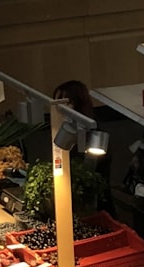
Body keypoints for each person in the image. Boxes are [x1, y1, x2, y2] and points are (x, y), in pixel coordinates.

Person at [52, 80, 114, 216]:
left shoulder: (95, 136)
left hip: (93, 206)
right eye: (56, 102)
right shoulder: (62, 130)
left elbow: (88, 174)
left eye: (64, 102)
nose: (58, 108)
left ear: (77, 103)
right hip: (69, 200)